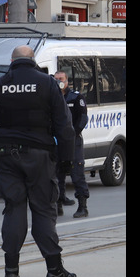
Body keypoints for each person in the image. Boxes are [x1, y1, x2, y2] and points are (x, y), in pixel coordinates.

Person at [0, 45, 77, 277]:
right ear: (33, 60)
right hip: (39, 155)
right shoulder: (47, 84)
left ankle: (11, 271)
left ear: (12, 60)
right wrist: (65, 161)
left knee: (14, 208)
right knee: (43, 209)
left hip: (5, 156)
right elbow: (65, 127)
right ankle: (54, 270)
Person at [54, 71, 90, 218]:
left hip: (73, 141)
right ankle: (58, 203)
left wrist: (73, 134)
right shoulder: (52, 98)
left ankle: (82, 206)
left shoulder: (75, 97)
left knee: (77, 173)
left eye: (60, 79)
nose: (58, 82)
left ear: (66, 80)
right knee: (56, 174)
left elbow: (83, 118)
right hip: (57, 142)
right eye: (56, 79)